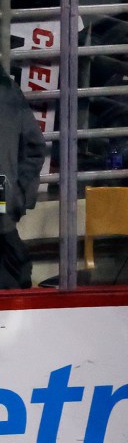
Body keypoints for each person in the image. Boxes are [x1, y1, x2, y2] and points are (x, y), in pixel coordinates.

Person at [0, 67, 46, 289]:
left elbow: (33, 148)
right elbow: (34, 147)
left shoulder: (6, 91)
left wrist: (17, 197)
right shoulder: (6, 90)